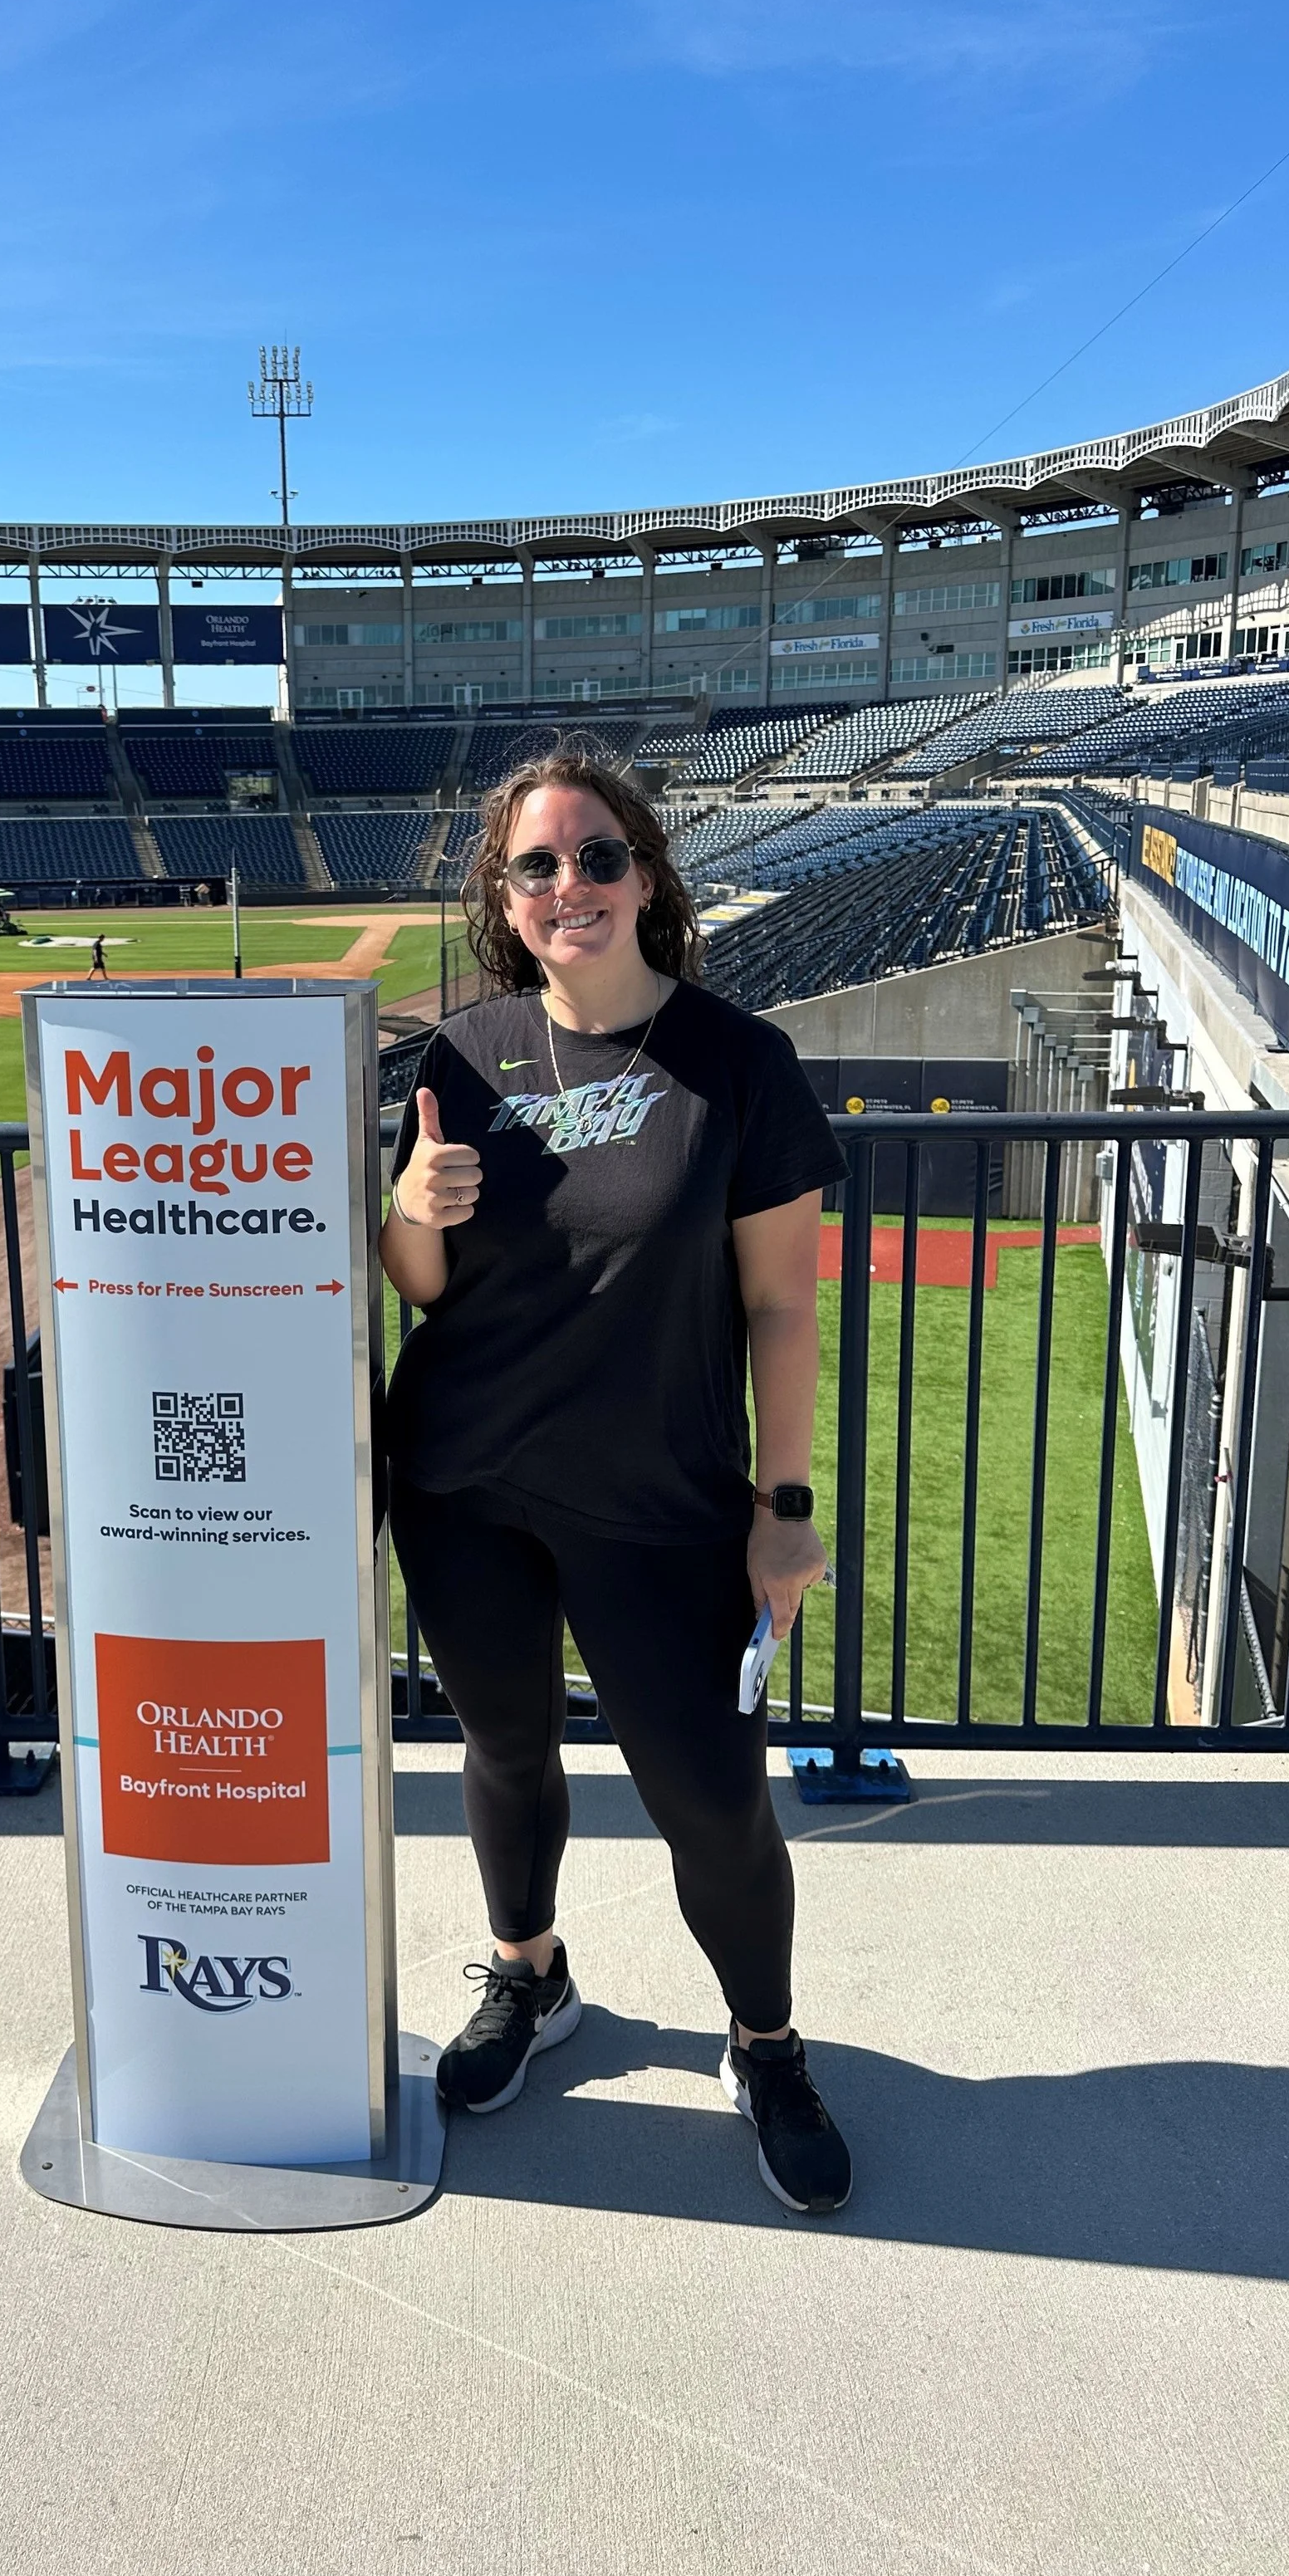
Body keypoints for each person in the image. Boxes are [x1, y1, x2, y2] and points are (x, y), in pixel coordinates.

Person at [381, 747, 854, 2213]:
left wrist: (785, 1513)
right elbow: (425, 1290)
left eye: (596, 857)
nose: (569, 885)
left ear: (647, 873)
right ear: (505, 898)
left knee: (712, 1800)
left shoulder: (737, 1062)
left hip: (662, 1500)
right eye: (539, 866)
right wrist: (408, 1207)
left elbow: (782, 1306)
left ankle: (765, 2044)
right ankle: (532, 1980)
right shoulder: (462, 1057)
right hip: (464, 1486)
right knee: (506, 1753)